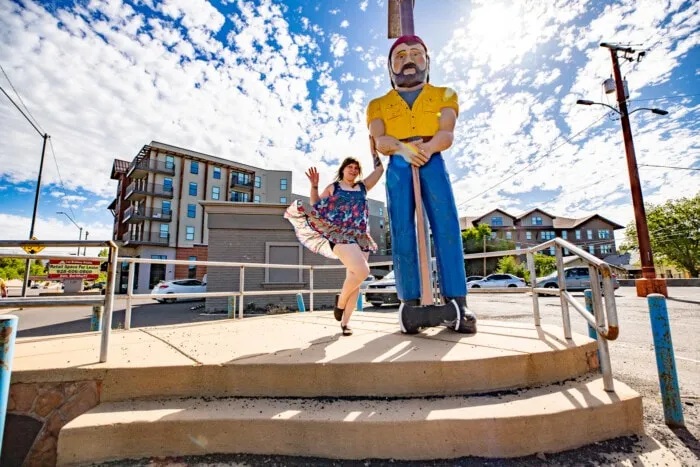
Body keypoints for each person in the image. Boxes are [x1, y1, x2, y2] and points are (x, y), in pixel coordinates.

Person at [366, 34, 477, 334]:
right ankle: (409, 300)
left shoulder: (445, 94)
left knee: (447, 225)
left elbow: (447, 133)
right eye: (399, 56)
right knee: (402, 230)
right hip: (400, 164)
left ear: (427, 61)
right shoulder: (378, 104)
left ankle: (457, 300)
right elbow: (380, 140)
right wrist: (405, 151)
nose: (408, 60)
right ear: (390, 68)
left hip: (433, 158)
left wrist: (426, 150)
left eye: (415, 53)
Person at [285, 146, 384, 336]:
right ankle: (340, 303)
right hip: (338, 235)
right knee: (363, 271)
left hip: (360, 236)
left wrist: (373, 149)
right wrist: (314, 186)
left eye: (356, 168)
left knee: (354, 280)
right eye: (350, 167)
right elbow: (315, 205)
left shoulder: (363, 187)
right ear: (343, 169)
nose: (353, 170)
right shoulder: (334, 187)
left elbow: (379, 170)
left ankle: (346, 324)